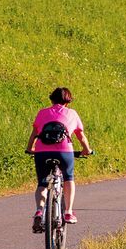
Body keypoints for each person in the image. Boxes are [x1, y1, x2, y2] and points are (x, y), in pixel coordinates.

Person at [27, 87, 92, 233]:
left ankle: (39, 211)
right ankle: (68, 212)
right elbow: (81, 136)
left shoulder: (42, 113)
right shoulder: (72, 113)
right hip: (64, 151)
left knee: (42, 183)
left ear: (52, 99)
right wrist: (86, 150)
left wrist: (30, 148)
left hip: (42, 151)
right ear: (68, 101)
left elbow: (34, 135)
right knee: (68, 178)